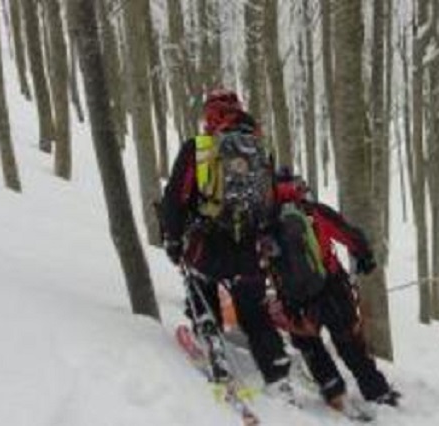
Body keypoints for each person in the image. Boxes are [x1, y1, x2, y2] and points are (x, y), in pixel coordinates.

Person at [160, 89, 293, 395]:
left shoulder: (199, 148)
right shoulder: (258, 150)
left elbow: (175, 198)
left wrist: (173, 239)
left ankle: (214, 350)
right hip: (249, 248)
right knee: (255, 312)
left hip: (207, 244)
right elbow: (271, 202)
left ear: (211, 116)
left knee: (200, 290)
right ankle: (278, 375)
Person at [265, 168, 400, 409]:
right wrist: (364, 257)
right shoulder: (315, 212)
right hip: (332, 288)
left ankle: (332, 388)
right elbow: (350, 235)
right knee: (349, 342)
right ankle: (377, 392)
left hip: (295, 299)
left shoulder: (266, 221)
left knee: (307, 342)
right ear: (298, 187)